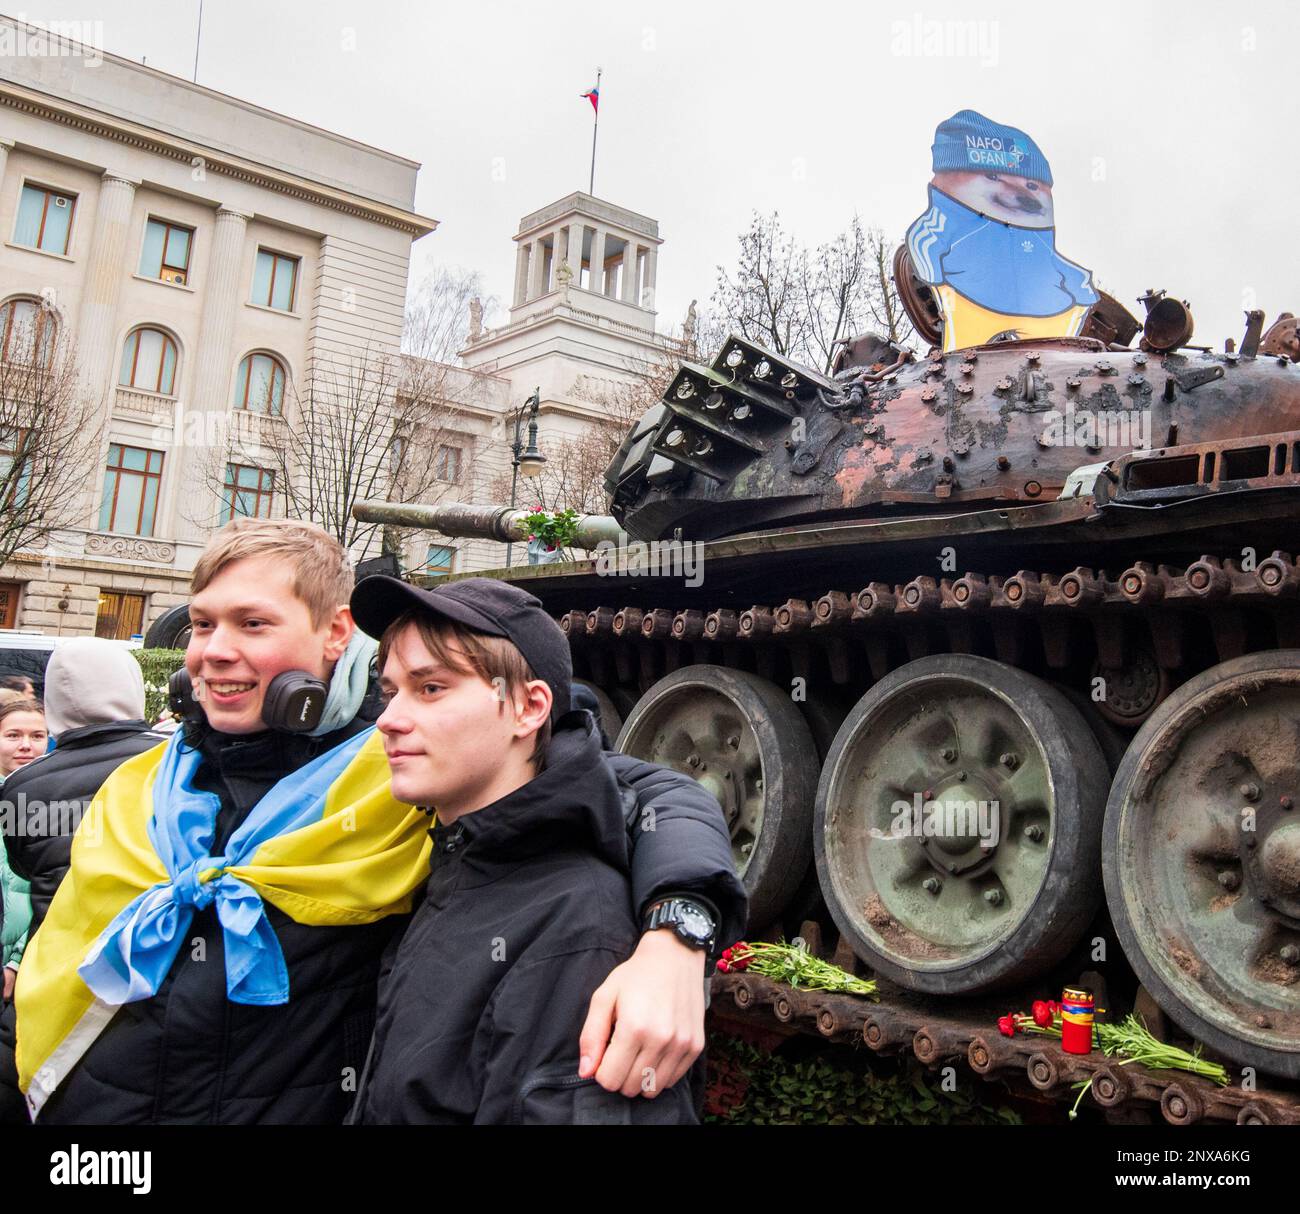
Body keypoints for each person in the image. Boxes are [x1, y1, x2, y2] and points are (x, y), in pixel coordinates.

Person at [10, 518, 743, 1124]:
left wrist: (678, 935)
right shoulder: (145, 782)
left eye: (253, 623)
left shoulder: (392, 778)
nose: (214, 652)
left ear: (334, 634)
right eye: (201, 624)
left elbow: (643, 793)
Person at [351, 577, 699, 1123]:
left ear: (527, 708)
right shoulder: (453, 863)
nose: (387, 719)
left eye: (431, 688)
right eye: (391, 691)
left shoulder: (577, 932)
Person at [2, 639, 166, 936]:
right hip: (154, 948)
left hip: (57, 957)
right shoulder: (176, 760)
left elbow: (23, 867)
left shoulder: (20, 785)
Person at [0, 698, 46, 1004]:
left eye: (37, 736)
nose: (26, 745)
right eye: (13, 735)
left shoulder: (55, 801)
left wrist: (17, 961)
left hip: (29, 961)